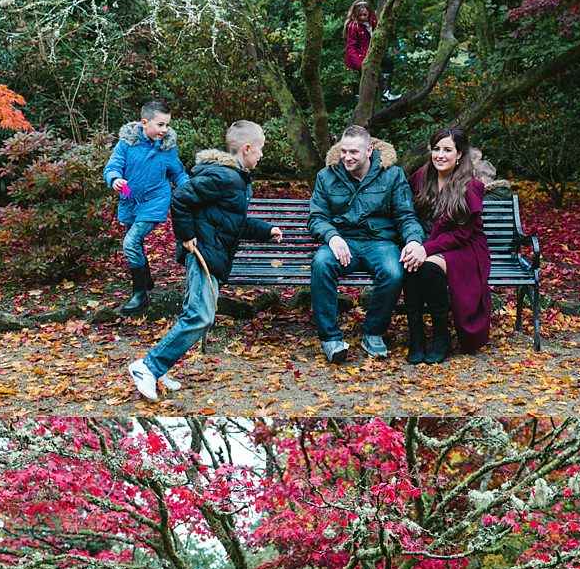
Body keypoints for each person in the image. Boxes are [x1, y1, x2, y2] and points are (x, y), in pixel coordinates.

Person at [128, 120, 282, 401]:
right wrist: (186, 236)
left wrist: (266, 230)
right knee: (200, 315)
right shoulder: (225, 177)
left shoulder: (235, 180)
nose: (261, 156)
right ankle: (147, 367)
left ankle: (159, 368)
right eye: (260, 150)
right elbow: (182, 198)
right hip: (203, 255)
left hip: (212, 255)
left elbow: (233, 223)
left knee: (197, 314)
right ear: (246, 149)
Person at [308, 125, 425, 363]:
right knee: (321, 263)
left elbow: (405, 215)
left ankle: (373, 332)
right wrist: (332, 236)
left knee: (393, 272)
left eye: (354, 152)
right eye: (343, 151)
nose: (347, 157)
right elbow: (316, 217)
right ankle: (331, 339)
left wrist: (414, 240)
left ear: (369, 150)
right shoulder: (327, 175)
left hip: (380, 241)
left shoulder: (392, 175)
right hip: (342, 241)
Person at [402, 125, 492, 365]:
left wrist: (425, 250)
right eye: (436, 149)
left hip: (464, 248)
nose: (440, 155)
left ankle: (441, 335)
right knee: (410, 262)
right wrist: (414, 244)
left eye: (447, 150)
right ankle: (417, 336)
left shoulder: (470, 185)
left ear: (460, 154)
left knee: (427, 265)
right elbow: (401, 202)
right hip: (429, 244)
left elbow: (462, 234)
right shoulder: (423, 176)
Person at [104, 99, 193, 315]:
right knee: (135, 244)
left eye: (167, 125)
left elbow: (178, 173)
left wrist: (190, 191)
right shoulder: (126, 144)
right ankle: (147, 282)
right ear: (145, 123)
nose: (165, 130)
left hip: (155, 201)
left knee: (131, 242)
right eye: (160, 125)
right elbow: (112, 167)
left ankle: (140, 293)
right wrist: (115, 179)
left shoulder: (167, 149)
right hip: (130, 200)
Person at [344, 0, 376, 75]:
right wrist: (361, 66)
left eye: (365, 15)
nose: (362, 17)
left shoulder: (372, 22)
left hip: (370, 56)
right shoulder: (354, 27)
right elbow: (351, 48)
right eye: (360, 15)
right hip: (360, 60)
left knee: (388, 64)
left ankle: (385, 87)